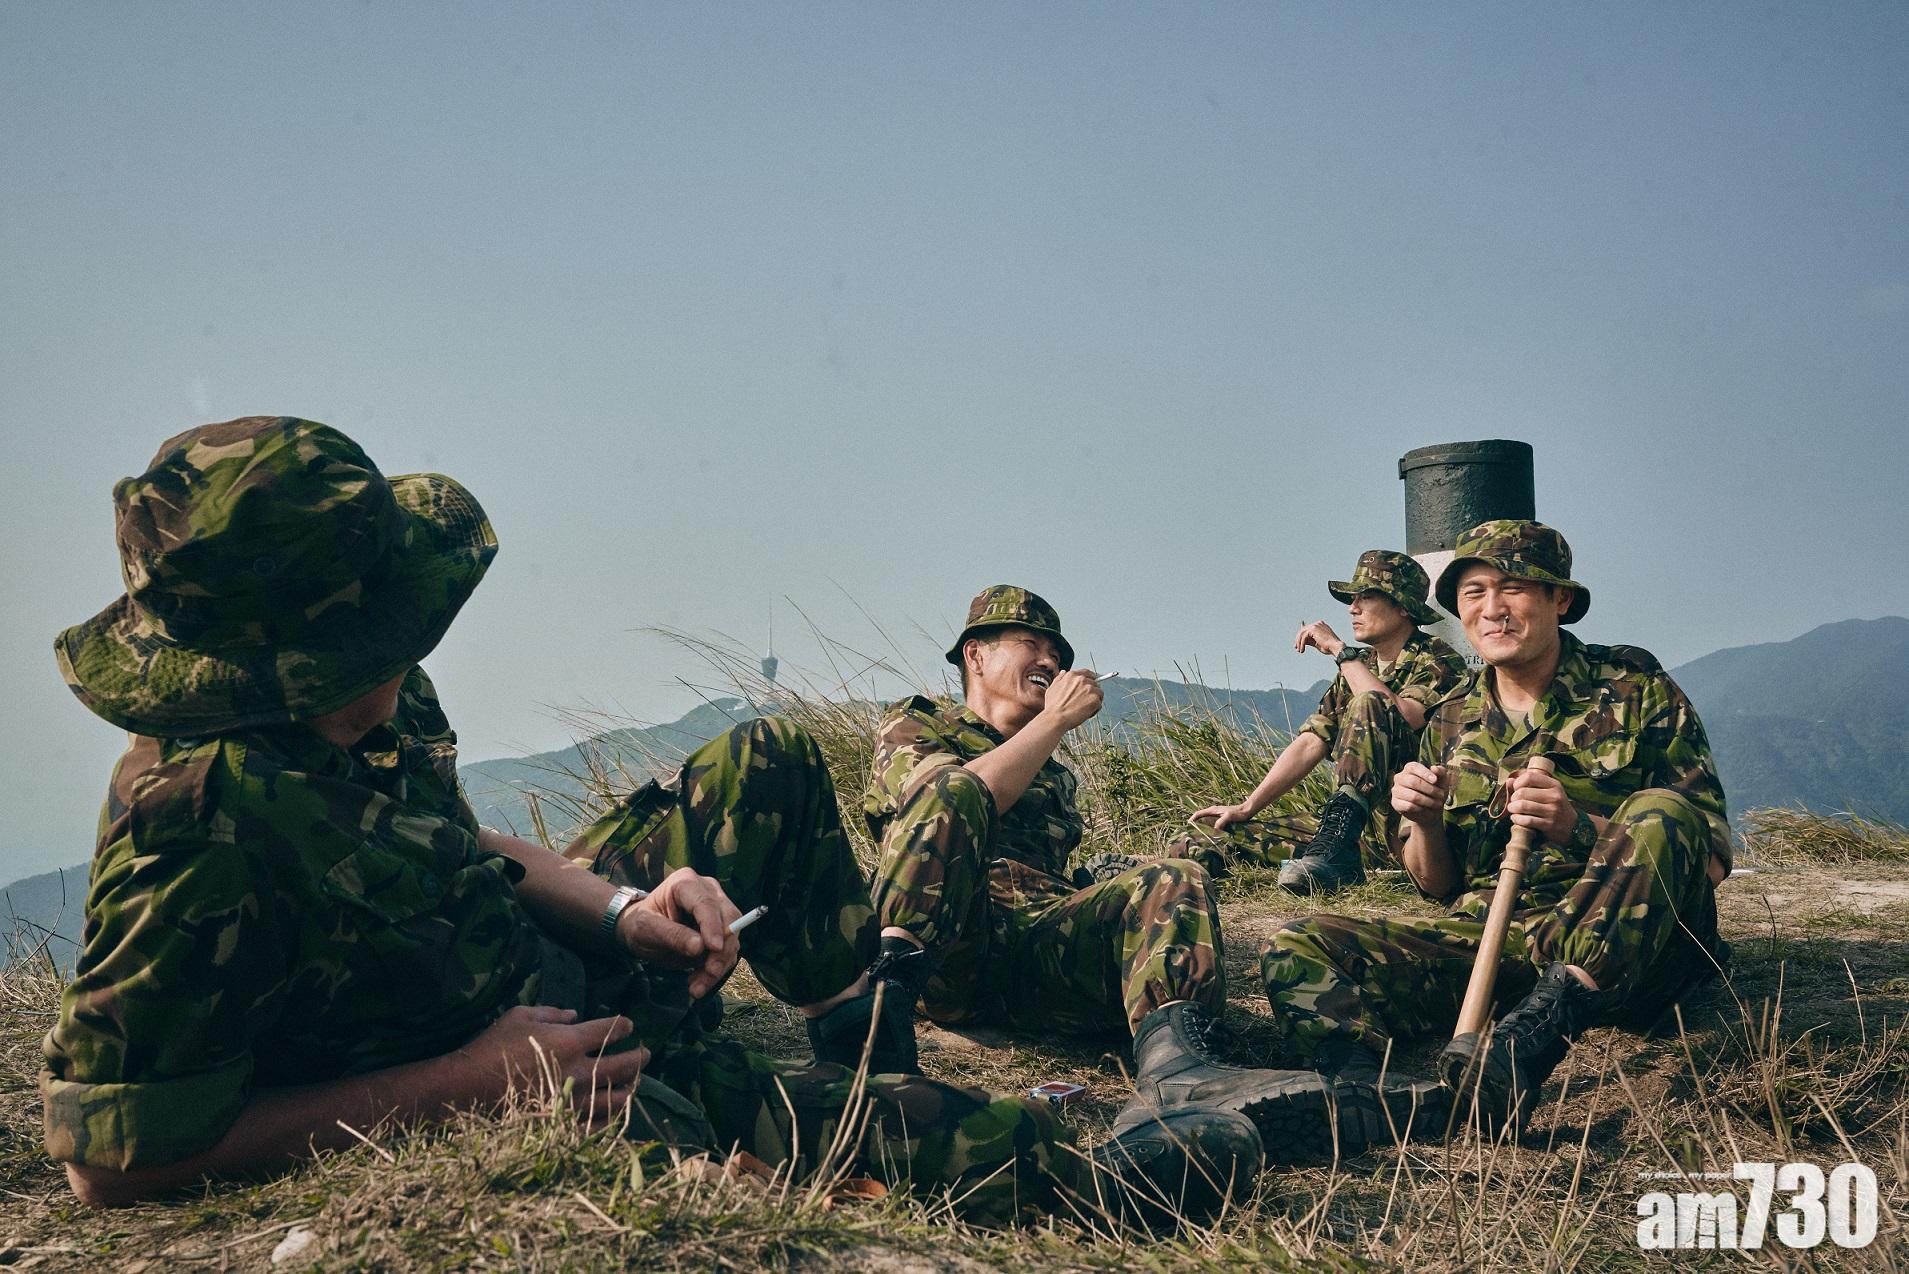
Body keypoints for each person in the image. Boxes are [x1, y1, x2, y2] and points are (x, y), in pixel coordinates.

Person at [39, 417, 1254, 1226]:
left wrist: (628, 910)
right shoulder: (194, 824)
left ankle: (862, 1056)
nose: (414, 644)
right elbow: (115, 1156)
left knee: (764, 756)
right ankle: (1006, 1158)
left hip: (551, 978)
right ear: (289, 660)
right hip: (512, 1063)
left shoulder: (378, 691)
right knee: (1023, 1162)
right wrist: (465, 1083)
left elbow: (467, 848)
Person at [864, 586, 1417, 1164]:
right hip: (943, 949)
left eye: (1058, 653)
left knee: (1172, 875)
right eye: (1032, 644)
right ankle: (876, 1025)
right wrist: (1053, 720)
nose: (1051, 662)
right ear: (975, 656)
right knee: (953, 790)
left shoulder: (1055, 776)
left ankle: (1181, 1074)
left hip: (1030, 958)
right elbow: (955, 803)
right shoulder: (916, 726)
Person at [1259, 520, 1733, 1130]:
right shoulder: (1452, 714)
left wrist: (1576, 826)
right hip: (1498, 937)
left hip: (1636, 947)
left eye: (1513, 588)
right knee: (1299, 944)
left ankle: (1527, 1049)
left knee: (1660, 811)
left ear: (1559, 599)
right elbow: (1436, 885)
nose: (1493, 610)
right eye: (1474, 592)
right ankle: (1361, 1092)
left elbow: (1710, 853)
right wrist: (1424, 823)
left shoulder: (1636, 688)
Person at [1181, 550, 1468, 894]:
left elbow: (1403, 714)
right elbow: (1311, 742)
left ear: (1403, 606)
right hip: (1352, 834)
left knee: (1369, 702)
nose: (1353, 608)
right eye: (1352, 599)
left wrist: (1339, 651)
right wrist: (1247, 806)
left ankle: (1333, 856)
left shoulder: (1437, 658)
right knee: (1200, 837)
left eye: (1367, 597)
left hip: (1410, 827)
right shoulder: (1359, 666)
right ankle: (1319, 860)